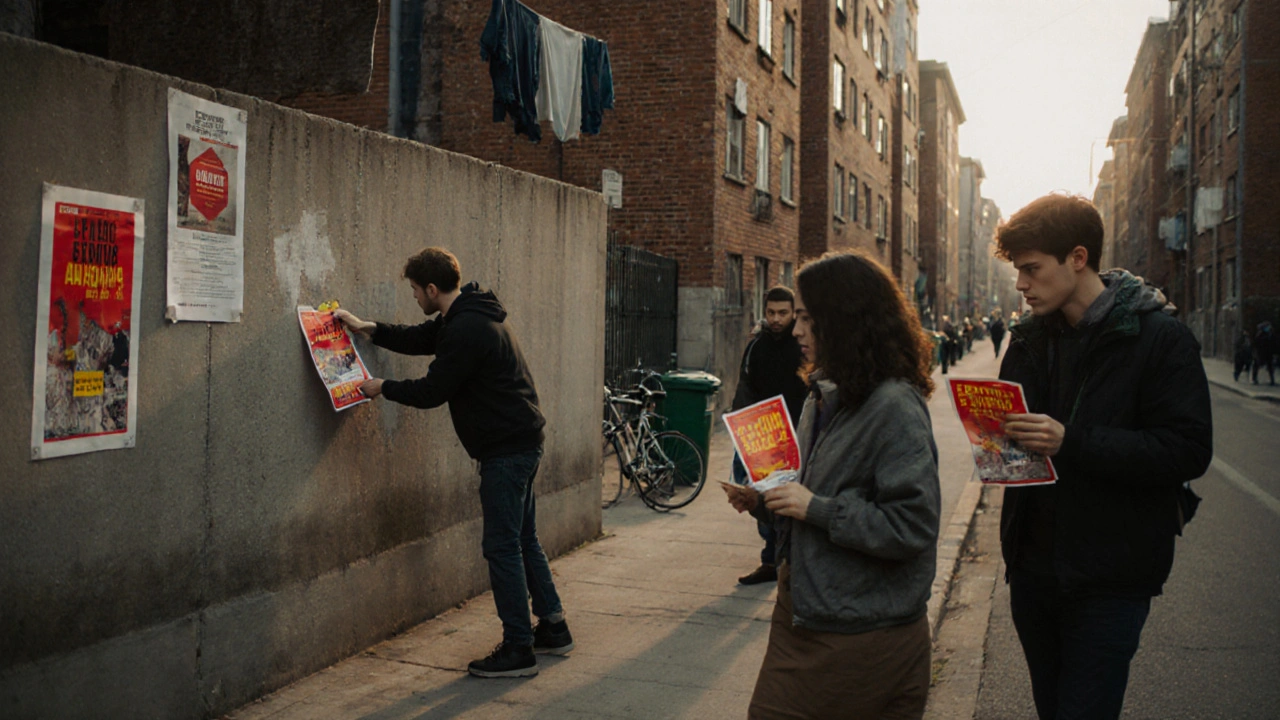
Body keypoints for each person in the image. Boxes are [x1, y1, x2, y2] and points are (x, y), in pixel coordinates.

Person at [994, 193, 1213, 720]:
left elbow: (1187, 449)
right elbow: (1014, 441)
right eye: (1017, 272)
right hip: (1033, 573)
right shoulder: (1025, 339)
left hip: (1111, 576)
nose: (1020, 285)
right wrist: (996, 443)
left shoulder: (1159, 337)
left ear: (1076, 257)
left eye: (1030, 270)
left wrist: (1071, 440)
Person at [334, 247, 572, 679]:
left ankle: (519, 647)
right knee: (523, 538)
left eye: (414, 291)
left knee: (502, 546)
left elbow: (431, 391)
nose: (413, 298)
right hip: (523, 439)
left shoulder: (468, 329)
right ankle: (553, 627)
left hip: (507, 450)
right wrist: (369, 329)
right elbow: (422, 338)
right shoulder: (468, 313)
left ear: (431, 288)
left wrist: (382, 387)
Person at [723, 251, 940, 719]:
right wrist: (766, 503)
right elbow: (810, 494)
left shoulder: (894, 407)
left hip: (862, 636)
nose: (796, 330)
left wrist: (815, 508)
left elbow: (913, 524)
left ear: (843, 320)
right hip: (803, 613)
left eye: (806, 317)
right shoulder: (821, 396)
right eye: (794, 316)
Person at [729, 286, 808, 586]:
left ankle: (783, 562)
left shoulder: (800, 344)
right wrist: (739, 426)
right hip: (760, 434)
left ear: (792, 312)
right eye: (771, 313)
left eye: (783, 313)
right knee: (759, 498)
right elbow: (745, 385)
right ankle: (772, 560)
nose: (776, 319)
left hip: (794, 434)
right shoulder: (756, 346)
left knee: (785, 500)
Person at [1252, 321, 1275, 385]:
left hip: (1268, 353)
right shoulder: (1260, 335)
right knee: (1257, 365)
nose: (1268, 328)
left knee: (1270, 366)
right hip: (1261, 353)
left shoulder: (1270, 334)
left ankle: (1272, 380)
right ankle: (1254, 379)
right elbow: (1256, 344)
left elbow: (1274, 343)